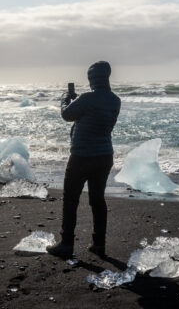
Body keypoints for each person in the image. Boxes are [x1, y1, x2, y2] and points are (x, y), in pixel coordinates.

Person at [47, 61, 121, 259]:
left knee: (71, 200)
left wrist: (65, 99)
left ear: (91, 79)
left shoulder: (87, 98)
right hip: (104, 156)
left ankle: (67, 243)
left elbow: (66, 115)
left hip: (81, 156)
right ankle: (99, 244)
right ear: (107, 76)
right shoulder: (115, 100)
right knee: (97, 200)